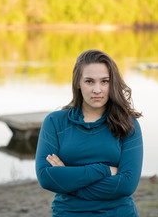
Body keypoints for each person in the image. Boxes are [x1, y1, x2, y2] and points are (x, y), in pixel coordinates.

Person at [35, 49, 143, 217]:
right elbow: (46, 177)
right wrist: (104, 170)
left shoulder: (127, 124)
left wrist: (69, 179)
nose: (97, 89)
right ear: (78, 82)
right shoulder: (55, 122)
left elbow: (127, 185)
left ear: (112, 83)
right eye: (89, 81)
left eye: (104, 81)